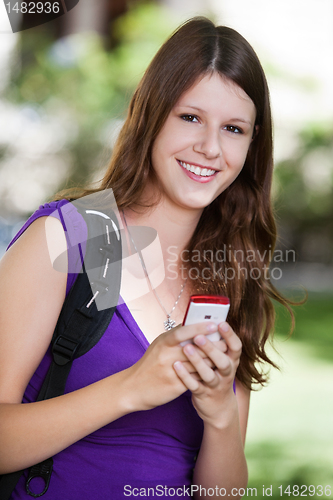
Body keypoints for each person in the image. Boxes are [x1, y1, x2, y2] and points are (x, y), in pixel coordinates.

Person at [0, 17, 295, 499]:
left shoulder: (230, 276)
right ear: (152, 113)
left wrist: (221, 416)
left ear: (251, 144)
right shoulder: (74, 236)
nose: (210, 147)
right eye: (190, 117)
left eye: (234, 129)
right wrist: (129, 388)